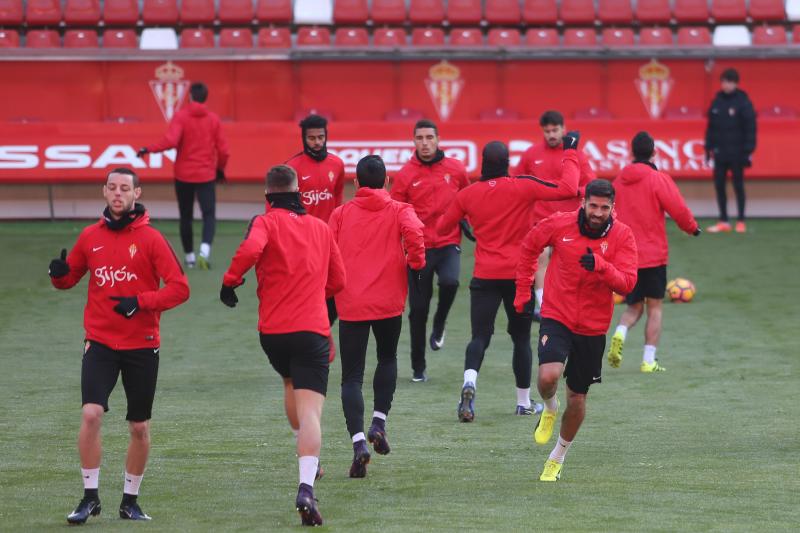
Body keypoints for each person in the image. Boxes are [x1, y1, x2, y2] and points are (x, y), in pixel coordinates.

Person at [48, 167, 190, 524]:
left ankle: (130, 500)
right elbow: (69, 280)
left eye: (124, 188)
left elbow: (179, 288)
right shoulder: (89, 236)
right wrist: (58, 274)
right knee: (91, 413)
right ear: (104, 192)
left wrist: (140, 302)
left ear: (137, 194)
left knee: (139, 427)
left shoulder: (152, 239)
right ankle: (90, 497)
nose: (117, 193)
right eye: (112, 187)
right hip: (99, 342)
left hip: (142, 345)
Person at [219, 164, 346, 527]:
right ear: (298, 193)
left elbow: (251, 250)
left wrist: (230, 282)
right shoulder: (320, 229)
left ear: (267, 197)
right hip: (311, 330)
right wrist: (313, 290)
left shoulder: (264, 222)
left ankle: (305, 453)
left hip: (272, 333)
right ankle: (306, 485)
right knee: (312, 411)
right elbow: (339, 280)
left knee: (290, 383)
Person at [437, 138, 581, 422]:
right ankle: (523, 402)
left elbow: (442, 225)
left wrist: (465, 221)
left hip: (484, 275)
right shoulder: (522, 185)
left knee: (479, 336)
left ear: (482, 162)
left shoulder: (467, 195)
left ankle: (469, 383)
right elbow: (568, 189)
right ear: (507, 164)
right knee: (520, 339)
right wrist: (570, 151)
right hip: (518, 276)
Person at [515, 179, 637, 482]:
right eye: (592, 205)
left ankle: (557, 457)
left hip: (593, 326)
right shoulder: (559, 224)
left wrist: (601, 266)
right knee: (547, 377)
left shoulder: (623, 236)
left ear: (612, 208)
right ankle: (549, 406)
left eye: (604, 208)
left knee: (578, 399)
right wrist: (522, 292)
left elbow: (627, 283)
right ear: (583, 202)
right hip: (558, 315)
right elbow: (529, 247)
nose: (597, 213)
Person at [328, 155, 425, 478]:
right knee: (387, 358)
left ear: (355, 184)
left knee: (351, 376)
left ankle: (358, 442)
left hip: (352, 302)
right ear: (387, 181)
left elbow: (327, 252)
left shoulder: (340, 214)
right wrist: (416, 263)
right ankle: (379, 421)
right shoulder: (399, 209)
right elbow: (414, 234)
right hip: (388, 301)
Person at [608, 132, 701, 373]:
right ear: (654, 153)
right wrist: (692, 229)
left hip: (626, 256)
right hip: (652, 255)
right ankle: (649, 361)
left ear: (631, 153)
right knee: (655, 307)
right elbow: (678, 209)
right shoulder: (657, 179)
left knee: (634, 306)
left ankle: (620, 331)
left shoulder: (618, 181)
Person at [390, 119, 471, 382]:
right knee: (418, 310)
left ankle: (440, 323)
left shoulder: (456, 169)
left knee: (450, 282)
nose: (425, 143)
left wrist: (469, 221)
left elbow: (469, 199)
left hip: (448, 242)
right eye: (420, 138)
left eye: (429, 138)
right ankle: (418, 368)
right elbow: (396, 211)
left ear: (438, 139)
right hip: (419, 249)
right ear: (413, 141)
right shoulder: (405, 175)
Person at [513, 110, 596, 320]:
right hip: (539, 219)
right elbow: (515, 182)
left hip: (570, 220)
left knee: (569, 264)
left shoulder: (576, 155)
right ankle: (543, 307)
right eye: (547, 131)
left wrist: (573, 191)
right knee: (540, 260)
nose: (551, 134)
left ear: (563, 129)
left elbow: (591, 187)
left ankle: (572, 304)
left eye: (555, 130)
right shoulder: (531, 154)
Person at [137, 81, 229, 269]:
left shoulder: (181, 116)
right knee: (209, 215)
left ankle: (189, 258)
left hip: (183, 176)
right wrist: (220, 169)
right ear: (205, 98)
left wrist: (148, 149)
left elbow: (170, 141)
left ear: (190, 97)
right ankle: (204, 251)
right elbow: (224, 150)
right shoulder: (213, 119)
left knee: (185, 216)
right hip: (206, 175)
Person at [286, 114, 347, 360]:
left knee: (337, 288)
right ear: (304, 139)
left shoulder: (337, 165)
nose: (317, 142)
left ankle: (321, 331)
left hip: (331, 241)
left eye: (321, 137)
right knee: (307, 293)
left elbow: (339, 199)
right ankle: (312, 337)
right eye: (311, 138)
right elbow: (285, 208)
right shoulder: (292, 168)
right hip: (302, 243)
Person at [704, 68, 757, 233]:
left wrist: (748, 150)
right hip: (720, 153)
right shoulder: (717, 102)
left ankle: (741, 220)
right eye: (723, 82)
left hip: (737, 153)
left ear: (735, 83)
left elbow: (751, 128)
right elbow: (710, 128)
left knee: (738, 186)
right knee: (719, 186)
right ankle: (724, 220)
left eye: (728, 82)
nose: (725, 85)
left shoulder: (743, 102)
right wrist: (708, 148)